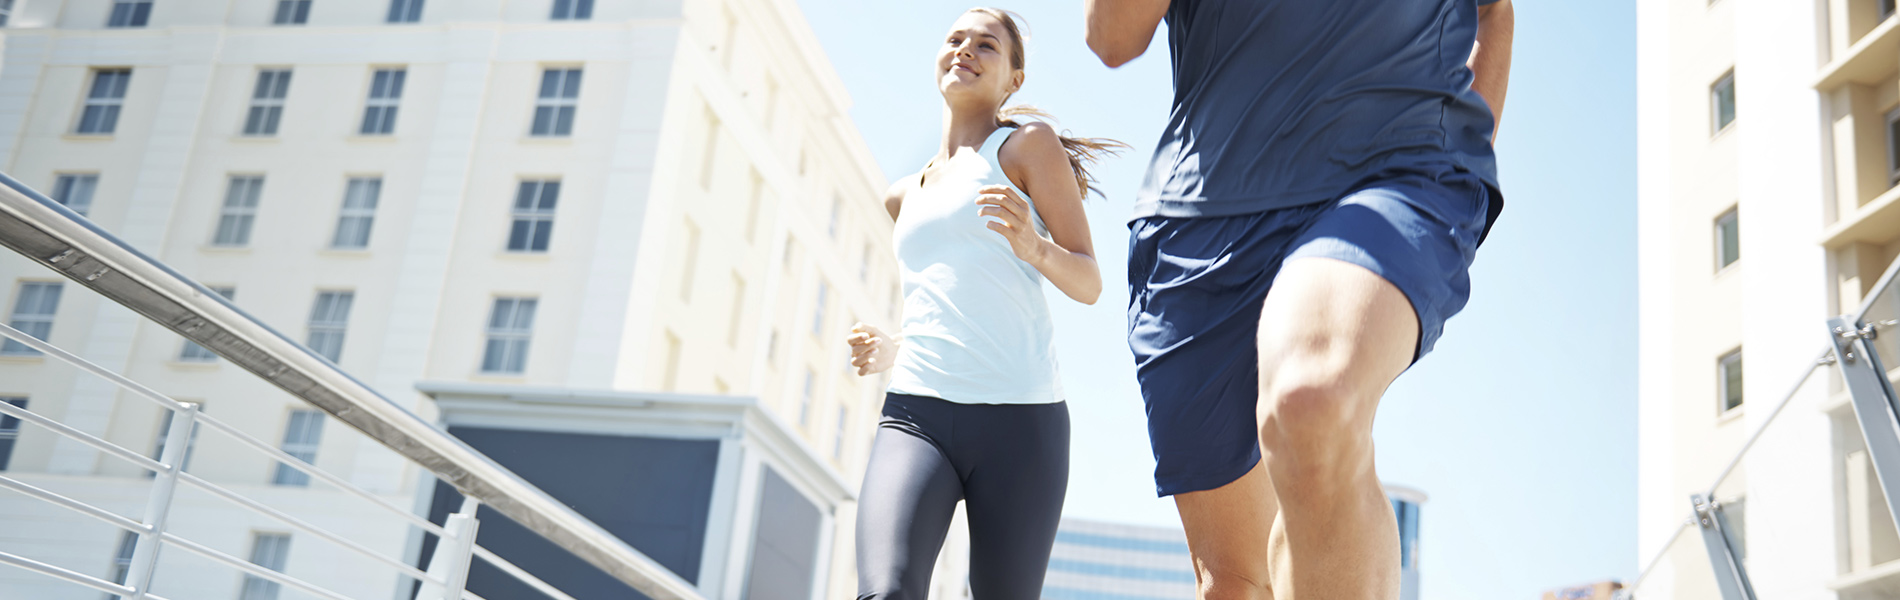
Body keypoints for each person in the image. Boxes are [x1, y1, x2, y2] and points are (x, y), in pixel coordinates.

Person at [1085, 0, 1514, 598]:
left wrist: (1463, 149)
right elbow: (1112, 37)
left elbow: (1495, 9)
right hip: (1200, 217)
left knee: (1312, 399)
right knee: (1233, 585)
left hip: (1389, 175)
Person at [845, 7, 1124, 600]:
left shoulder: (1026, 147)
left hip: (1020, 423)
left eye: (987, 46)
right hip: (917, 412)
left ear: (1013, 80)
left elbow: (1090, 281)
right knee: (886, 590)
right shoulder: (902, 195)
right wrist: (896, 347)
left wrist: (1034, 246)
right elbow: (947, 293)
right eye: (955, 39)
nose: (966, 49)